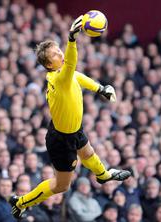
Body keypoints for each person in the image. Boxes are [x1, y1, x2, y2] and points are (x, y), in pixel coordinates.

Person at [10, 15, 132, 218]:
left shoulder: (64, 75)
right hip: (62, 140)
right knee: (61, 185)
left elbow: (78, 76)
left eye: (59, 50)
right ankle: (21, 202)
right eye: (56, 54)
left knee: (88, 152)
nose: (61, 54)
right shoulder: (59, 78)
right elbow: (72, 66)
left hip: (71, 130)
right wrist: (72, 39)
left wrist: (100, 88)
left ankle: (102, 175)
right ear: (49, 64)